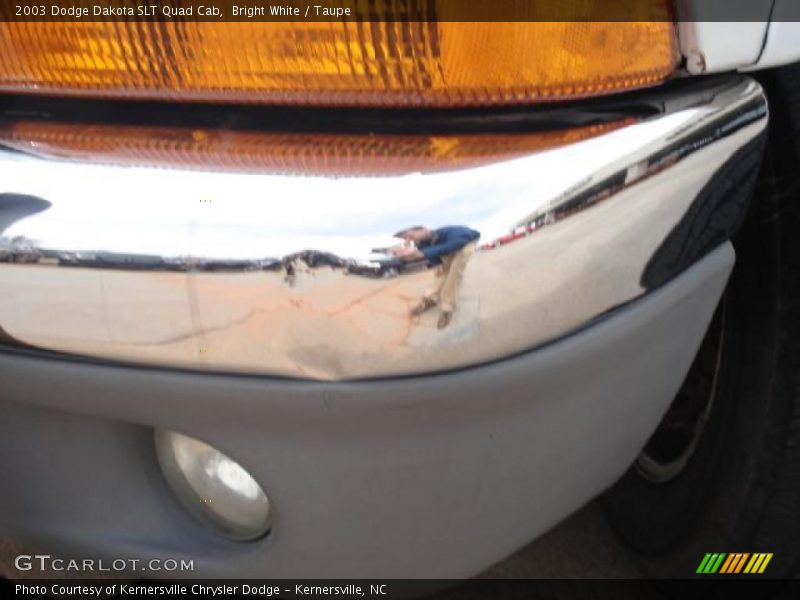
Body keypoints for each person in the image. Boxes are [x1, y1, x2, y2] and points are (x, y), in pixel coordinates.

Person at [392, 225, 480, 329]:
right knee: (441, 273)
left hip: (465, 244)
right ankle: (430, 299)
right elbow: (429, 253)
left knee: (454, 273)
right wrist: (436, 263)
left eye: (410, 235)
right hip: (446, 249)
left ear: (424, 230)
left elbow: (458, 242)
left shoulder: (452, 231)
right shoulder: (420, 243)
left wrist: (422, 253)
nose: (409, 240)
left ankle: (448, 308)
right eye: (405, 238)